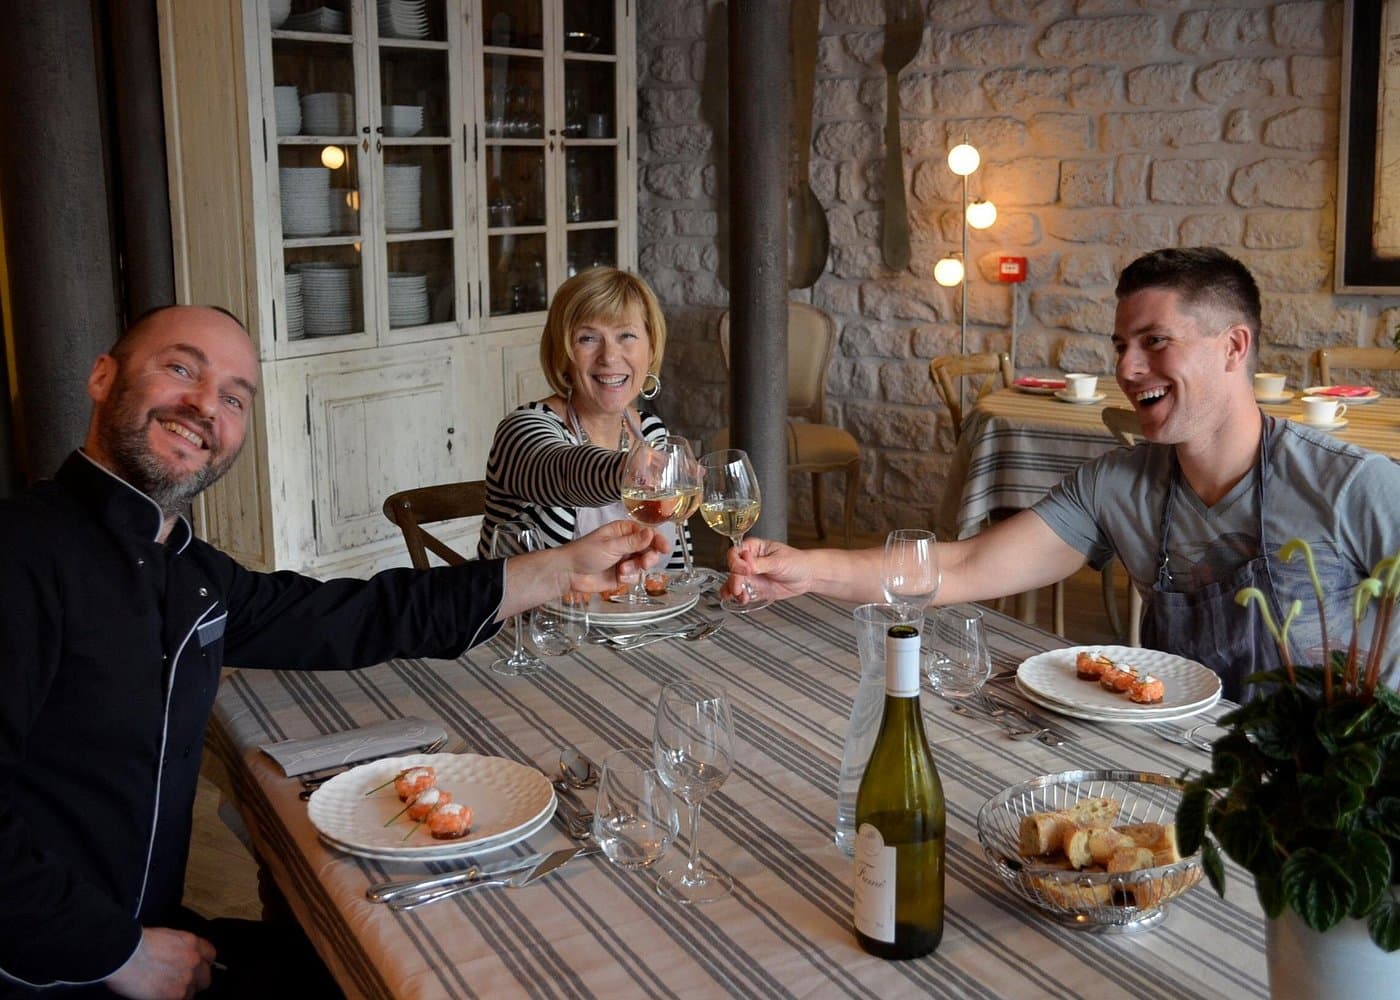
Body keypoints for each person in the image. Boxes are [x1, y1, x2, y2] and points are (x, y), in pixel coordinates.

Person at [0, 305, 667, 999]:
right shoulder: (21, 553)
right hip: (50, 964)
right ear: (103, 378)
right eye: (179, 369)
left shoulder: (186, 569)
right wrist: (117, 953)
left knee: (382, 962)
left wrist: (562, 569)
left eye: (233, 398)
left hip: (138, 932)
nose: (204, 405)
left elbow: (349, 616)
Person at [726, 247, 1400, 696]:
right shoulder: (1119, 485)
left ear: (1232, 346)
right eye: (1121, 346)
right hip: (1180, 771)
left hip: (1328, 808)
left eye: (1154, 342)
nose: (1128, 369)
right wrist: (810, 571)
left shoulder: (1352, 486)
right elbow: (961, 568)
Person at [479, 267, 692, 570]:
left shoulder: (651, 431)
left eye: (626, 335)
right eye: (588, 338)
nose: (609, 356)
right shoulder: (524, 428)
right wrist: (625, 470)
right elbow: (560, 471)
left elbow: (676, 566)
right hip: (534, 616)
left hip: (635, 616)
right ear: (564, 353)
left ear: (651, 346)